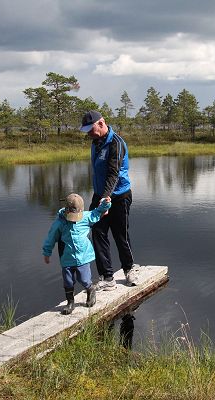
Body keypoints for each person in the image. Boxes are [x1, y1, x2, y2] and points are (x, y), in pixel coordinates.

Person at [79, 110, 140, 291]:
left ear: (101, 123)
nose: (89, 133)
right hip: (100, 196)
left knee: (120, 234)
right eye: (87, 130)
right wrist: (101, 197)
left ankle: (129, 269)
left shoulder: (116, 143)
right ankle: (107, 277)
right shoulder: (95, 143)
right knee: (98, 233)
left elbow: (113, 174)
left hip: (119, 196)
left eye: (91, 129)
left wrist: (106, 199)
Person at [42, 193, 111, 315]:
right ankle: (70, 303)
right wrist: (47, 253)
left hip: (83, 257)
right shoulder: (59, 223)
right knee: (68, 282)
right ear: (66, 210)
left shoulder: (85, 217)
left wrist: (106, 203)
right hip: (67, 258)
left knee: (84, 279)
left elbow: (98, 211)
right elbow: (50, 238)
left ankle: (91, 290)